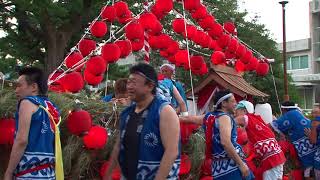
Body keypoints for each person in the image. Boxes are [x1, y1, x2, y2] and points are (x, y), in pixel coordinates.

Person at [103, 63, 180, 180]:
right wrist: (108, 174)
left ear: (150, 86)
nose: (129, 86)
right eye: (129, 82)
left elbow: (171, 152)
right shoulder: (126, 114)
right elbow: (118, 146)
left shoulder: (164, 112)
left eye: (134, 82)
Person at [180, 90, 254, 179]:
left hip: (217, 169)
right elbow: (225, 142)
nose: (236, 103)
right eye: (233, 101)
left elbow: (189, 118)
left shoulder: (209, 117)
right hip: (232, 166)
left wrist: (172, 117)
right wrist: (241, 164)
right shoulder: (224, 117)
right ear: (224, 103)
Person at [5, 67, 62, 180]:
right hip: (49, 173)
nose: (16, 90)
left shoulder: (27, 102)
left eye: (19, 85)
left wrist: (9, 172)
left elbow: (21, 140)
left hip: (29, 174)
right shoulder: (51, 107)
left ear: (34, 87)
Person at [235, 100, 286, 180]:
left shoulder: (247, 117)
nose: (235, 113)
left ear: (244, 111)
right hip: (276, 157)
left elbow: (231, 122)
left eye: (236, 111)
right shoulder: (258, 119)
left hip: (271, 159)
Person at [271, 101, 316, 179]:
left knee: (309, 173)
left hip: (307, 151)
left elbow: (274, 126)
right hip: (313, 149)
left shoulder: (291, 114)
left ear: (283, 109)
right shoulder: (298, 112)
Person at [305, 105, 320, 179]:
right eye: (313, 113)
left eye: (316, 112)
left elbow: (313, 141)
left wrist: (309, 135)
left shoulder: (314, 123)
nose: (314, 115)